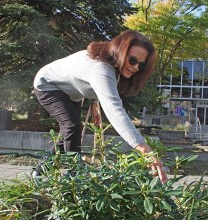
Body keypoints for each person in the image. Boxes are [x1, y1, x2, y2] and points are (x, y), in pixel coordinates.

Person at [33, 30, 168, 183]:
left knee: (68, 131)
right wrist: (145, 150)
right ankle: (74, 177)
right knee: (72, 126)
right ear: (120, 51)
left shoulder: (111, 63)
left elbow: (88, 81)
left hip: (70, 91)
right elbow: (115, 110)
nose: (136, 67)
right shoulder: (101, 68)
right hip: (47, 84)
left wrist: (94, 103)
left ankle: (39, 170)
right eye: (132, 60)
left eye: (141, 65)